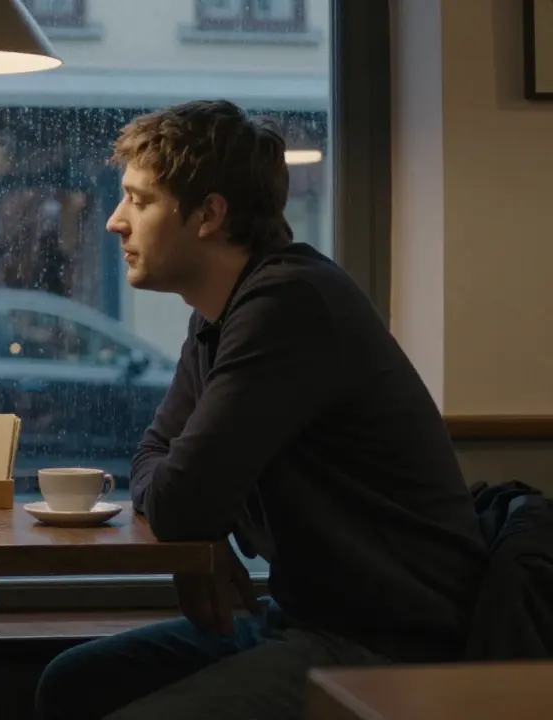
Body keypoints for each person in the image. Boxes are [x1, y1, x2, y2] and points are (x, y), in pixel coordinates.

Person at [34, 100, 488, 719]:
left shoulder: (286, 304)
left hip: (387, 643)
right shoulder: (219, 313)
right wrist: (200, 529)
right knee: (73, 683)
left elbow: (179, 500)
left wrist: (197, 519)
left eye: (139, 201)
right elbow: (154, 458)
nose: (115, 221)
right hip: (303, 621)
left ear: (209, 215)